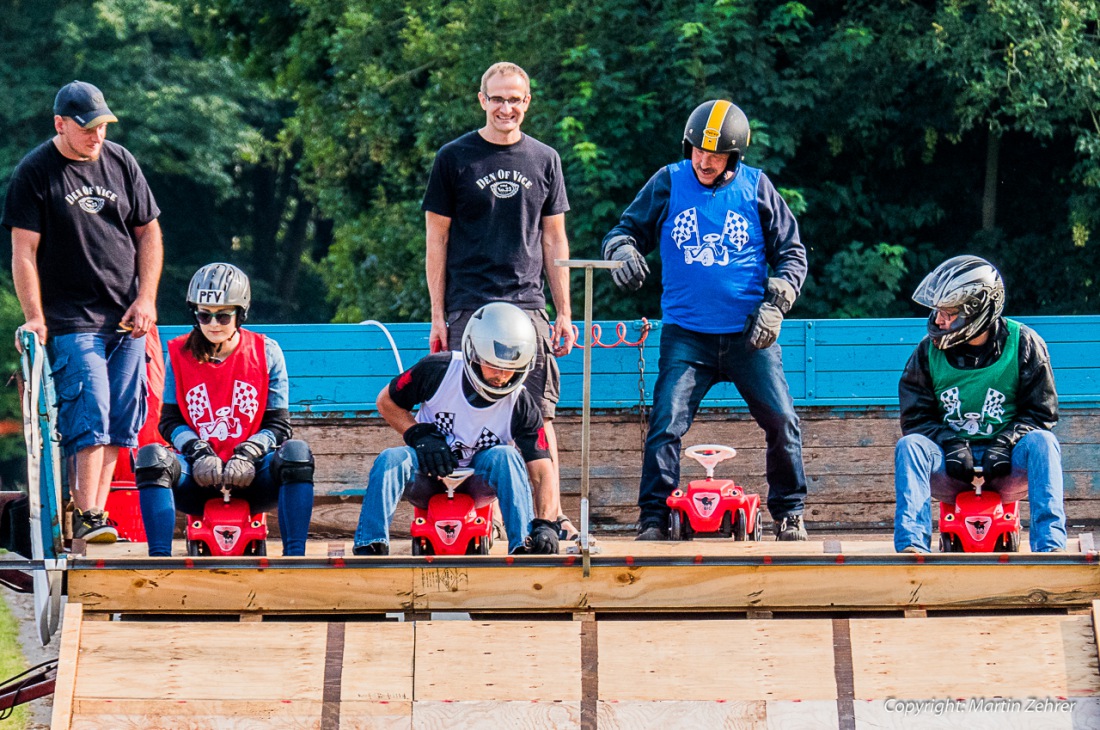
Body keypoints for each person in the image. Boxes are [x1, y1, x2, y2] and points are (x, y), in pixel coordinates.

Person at [601, 99, 810, 541]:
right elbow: (623, 231)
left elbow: (792, 253)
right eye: (696, 149)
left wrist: (776, 306)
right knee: (665, 422)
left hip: (749, 333)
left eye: (714, 154)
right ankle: (654, 518)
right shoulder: (668, 180)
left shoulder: (757, 187)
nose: (703, 160)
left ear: (734, 157)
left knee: (782, 419)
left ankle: (790, 512)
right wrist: (622, 250)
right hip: (686, 335)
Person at [422, 61, 577, 539]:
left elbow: (555, 240)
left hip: (529, 307)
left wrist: (565, 313)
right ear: (482, 100)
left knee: (538, 415)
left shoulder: (545, 159)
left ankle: (550, 517)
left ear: (527, 102)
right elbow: (436, 240)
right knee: (468, 414)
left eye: (515, 99)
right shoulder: (454, 158)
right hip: (470, 306)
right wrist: (437, 315)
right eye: (498, 98)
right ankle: (477, 514)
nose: (506, 107)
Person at [4, 80, 163, 543]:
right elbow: (23, 253)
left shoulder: (121, 162)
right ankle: (89, 514)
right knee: (89, 410)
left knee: (119, 419)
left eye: (104, 126)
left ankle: (95, 515)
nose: (98, 136)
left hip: (127, 317)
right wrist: (35, 316)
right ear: (60, 124)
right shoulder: (35, 172)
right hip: (72, 319)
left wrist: (147, 297)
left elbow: (149, 233)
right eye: (88, 128)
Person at [134, 264, 314, 557]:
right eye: (204, 315)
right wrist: (198, 450)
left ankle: (295, 558)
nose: (213, 323)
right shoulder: (178, 353)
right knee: (151, 457)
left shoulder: (267, 351)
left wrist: (248, 453)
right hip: (198, 474)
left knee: (296, 454)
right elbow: (169, 421)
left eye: (223, 315)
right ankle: (159, 562)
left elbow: (279, 425)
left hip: (252, 474)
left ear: (240, 314)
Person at [353, 302, 561, 555]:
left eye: (510, 369)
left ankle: (523, 544)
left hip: (479, 482)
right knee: (390, 458)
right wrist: (418, 435)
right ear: (474, 353)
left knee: (506, 456)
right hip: (429, 473)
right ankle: (370, 546)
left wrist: (546, 524)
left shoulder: (521, 402)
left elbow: (542, 471)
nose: (502, 376)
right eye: (494, 365)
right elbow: (386, 401)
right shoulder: (437, 369)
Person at [894, 255, 1066, 553]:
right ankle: (912, 548)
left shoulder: (1024, 343)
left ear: (977, 312)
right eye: (938, 312)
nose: (937, 320)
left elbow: (1042, 413)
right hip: (950, 464)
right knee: (909, 448)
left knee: (1044, 442)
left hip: (1008, 463)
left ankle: (1050, 548)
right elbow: (915, 420)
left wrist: (1005, 442)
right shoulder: (926, 352)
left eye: (948, 313)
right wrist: (950, 443)